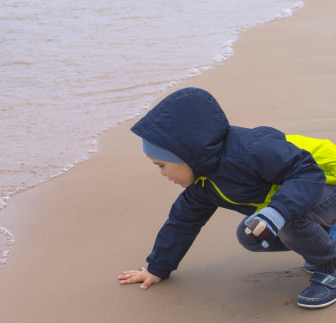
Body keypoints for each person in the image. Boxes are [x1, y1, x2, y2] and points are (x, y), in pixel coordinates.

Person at [118, 87, 336, 308]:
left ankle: (330, 266)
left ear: (185, 154)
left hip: (324, 183)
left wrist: (278, 213)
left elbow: (307, 173)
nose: (162, 173)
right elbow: (182, 222)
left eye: (162, 165)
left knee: (285, 217)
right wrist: (157, 268)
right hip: (311, 197)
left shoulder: (250, 150)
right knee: (250, 234)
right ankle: (325, 242)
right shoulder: (203, 183)